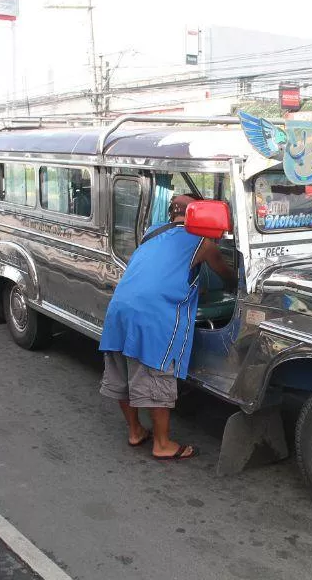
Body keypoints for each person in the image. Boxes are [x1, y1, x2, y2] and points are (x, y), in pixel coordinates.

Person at [99, 194, 236, 461]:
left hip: (119, 308)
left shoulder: (153, 231)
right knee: (156, 373)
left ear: (172, 214)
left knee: (122, 373)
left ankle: (135, 431)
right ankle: (162, 444)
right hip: (152, 314)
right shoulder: (203, 242)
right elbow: (227, 275)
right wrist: (239, 284)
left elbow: (159, 269)